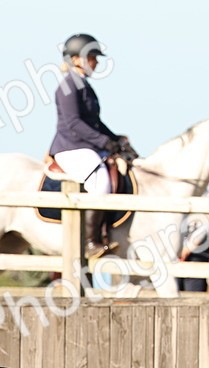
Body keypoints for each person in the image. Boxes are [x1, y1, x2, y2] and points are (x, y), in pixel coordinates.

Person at [48, 33, 138, 259]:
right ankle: (91, 242)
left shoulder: (82, 85)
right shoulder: (68, 86)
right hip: (71, 147)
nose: (96, 63)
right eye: (92, 58)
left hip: (84, 145)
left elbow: (95, 122)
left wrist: (116, 139)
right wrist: (104, 142)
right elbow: (74, 123)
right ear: (76, 59)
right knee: (101, 179)